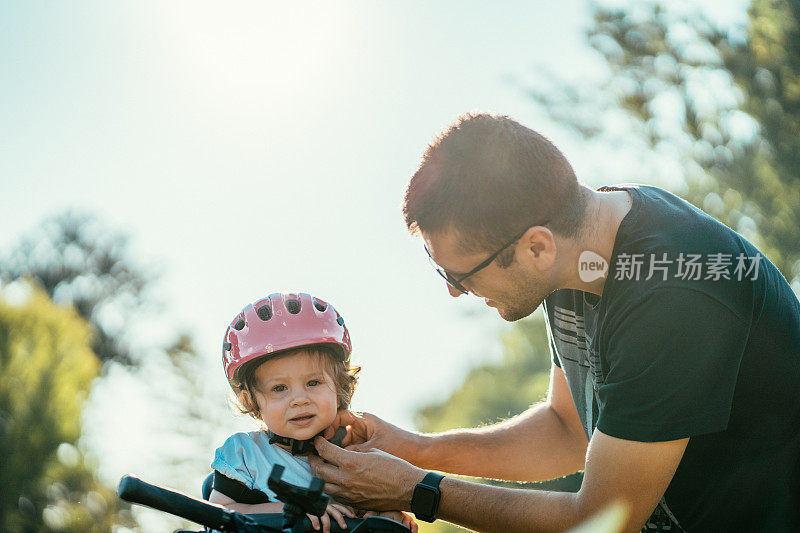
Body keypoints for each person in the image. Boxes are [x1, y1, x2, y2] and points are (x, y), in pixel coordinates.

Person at [309, 114, 800, 532]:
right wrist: (417, 449)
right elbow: (567, 431)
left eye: (459, 274)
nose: (453, 291)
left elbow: (604, 519)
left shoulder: (672, 298)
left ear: (536, 248)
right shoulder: (578, 253)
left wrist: (419, 491)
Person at [210, 292, 417, 533]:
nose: (299, 400)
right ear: (252, 400)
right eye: (279, 388)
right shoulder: (247, 455)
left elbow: (377, 508)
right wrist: (294, 509)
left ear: (340, 385)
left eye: (313, 383)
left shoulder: (358, 458)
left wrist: (386, 514)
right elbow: (218, 513)